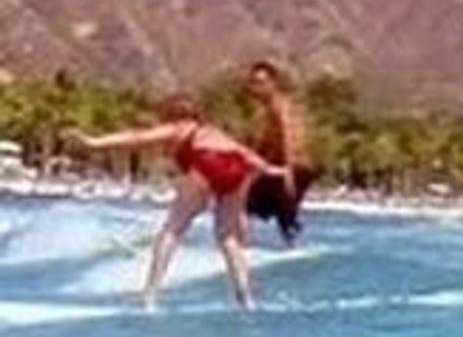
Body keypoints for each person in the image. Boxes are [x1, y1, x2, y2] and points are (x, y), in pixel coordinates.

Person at [65, 96, 289, 311]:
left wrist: (93, 142)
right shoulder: (212, 131)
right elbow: (247, 155)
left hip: (208, 162)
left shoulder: (177, 128)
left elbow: (137, 137)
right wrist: (273, 170)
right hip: (240, 168)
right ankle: (246, 298)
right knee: (228, 237)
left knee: (173, 229)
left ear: (174, 114)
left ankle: (149, 297)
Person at [243, 60, 318, 245]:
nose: (256, 88)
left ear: (273, 83)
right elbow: (267, 146)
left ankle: (241, 248)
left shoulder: (279, 105)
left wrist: (288, 174)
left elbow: (288, 139)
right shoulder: (269, 108)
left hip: (293, 168)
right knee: (281, 214)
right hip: (287, 168)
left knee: (246, 204)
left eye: (261, 83)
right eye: (253, 82)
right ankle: (294, 245)